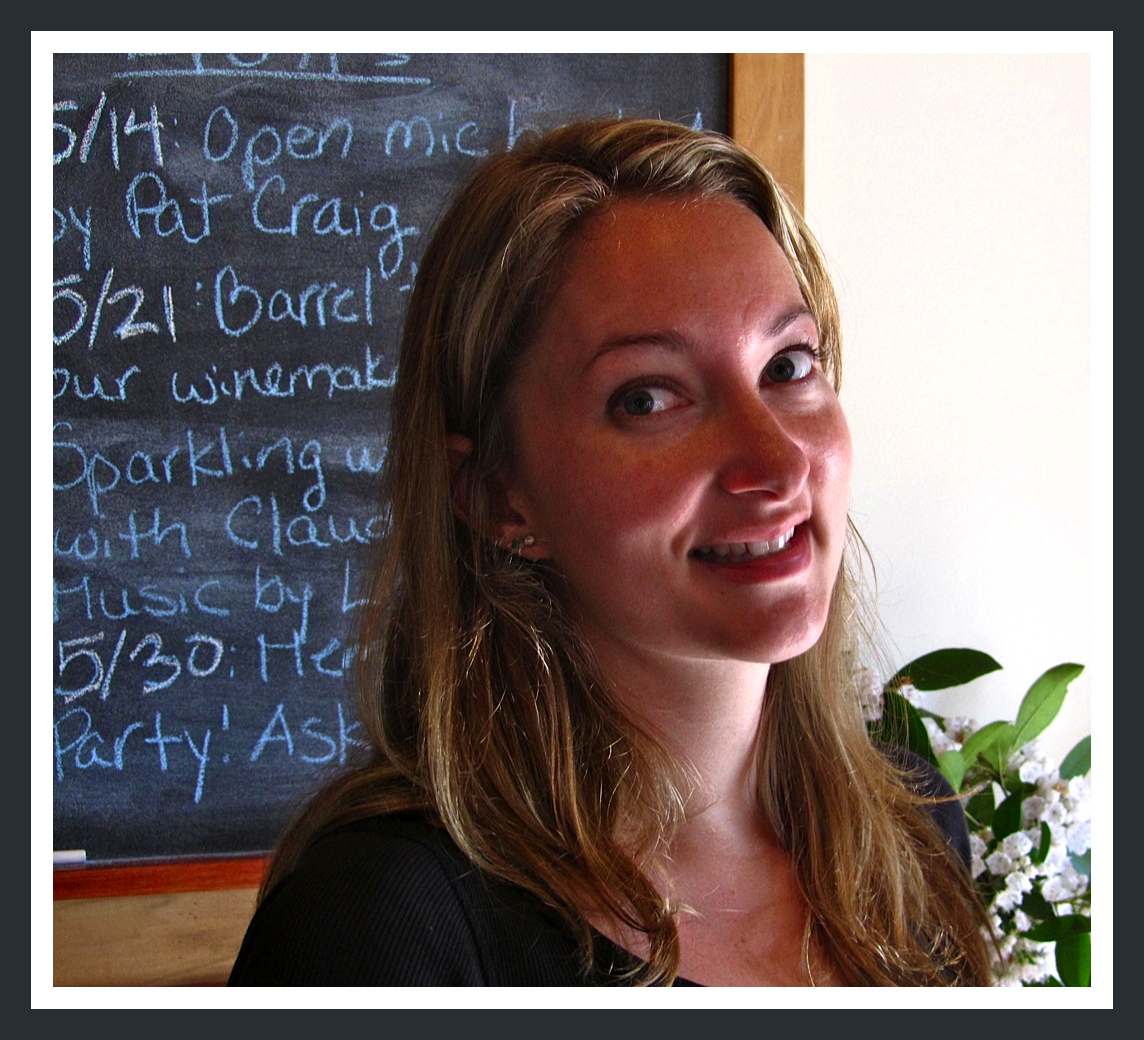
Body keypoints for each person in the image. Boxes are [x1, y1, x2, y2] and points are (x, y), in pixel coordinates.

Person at [229, 118, 993, 987]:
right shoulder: (377, 926)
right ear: (496, 495)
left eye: (786, 367)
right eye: (647, 399)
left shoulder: (912, 823)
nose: (778, 465)